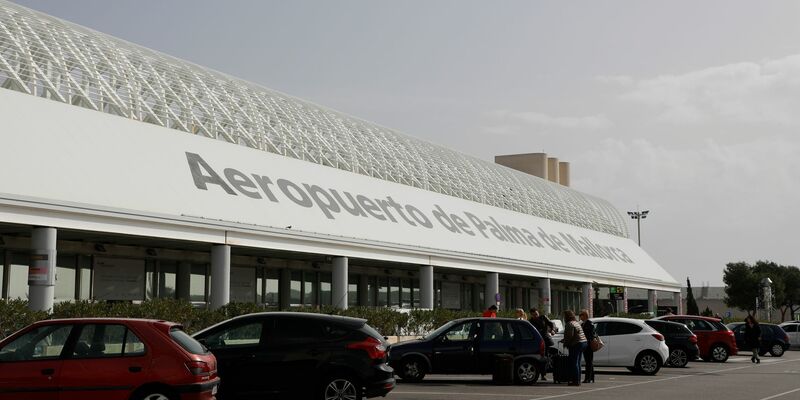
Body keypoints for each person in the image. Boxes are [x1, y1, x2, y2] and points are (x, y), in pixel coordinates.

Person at [562, 310, 587, 386]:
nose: (563, 318)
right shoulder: (576, 322)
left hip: (576, 344)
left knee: (574, 362)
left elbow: (570, 336)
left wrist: (565, 343)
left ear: (567, 316)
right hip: (583, 342)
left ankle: (575, 381)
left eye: (564, 316)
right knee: (578, 362)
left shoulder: (569, 324)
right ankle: (578, 380)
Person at [528, 308, 555, 381]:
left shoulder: (543, 317)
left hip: (545, 340)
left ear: (538, 313)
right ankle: (539, 373)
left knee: (545, 357)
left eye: (536, 314)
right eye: (533, 315)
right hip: (537, 341)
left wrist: (551, 330)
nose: (535, 316)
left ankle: (543, 374)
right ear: (531, 315)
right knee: (538, 357)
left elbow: (551, 323)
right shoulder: (530, 321)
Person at [579, 309, 595, 383]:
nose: (580, 316)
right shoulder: (583, 324)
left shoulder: (589, 323)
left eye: (581, 315)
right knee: (588, 362)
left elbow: (591, 335)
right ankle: (591, 377)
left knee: (589, 362)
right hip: (585, 344)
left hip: (588, 345)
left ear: (585, 315)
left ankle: (587, 378)